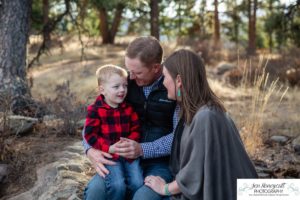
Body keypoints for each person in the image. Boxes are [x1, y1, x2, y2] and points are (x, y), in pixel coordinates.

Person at [144, 49, 258, 200]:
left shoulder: (206, 116)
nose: (163, 83)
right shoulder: (196, 110)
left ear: (179, 80)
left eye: (165, 77)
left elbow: (194, 173)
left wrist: (165, 188)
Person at [83, 36, 179, 200]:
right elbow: (95, 117)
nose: (131, 77)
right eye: (129, 70)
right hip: (120, 159)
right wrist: (89, 149)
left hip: (159, 162)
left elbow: (180, 136)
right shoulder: (123, 84)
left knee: (142, 197)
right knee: (95, 192)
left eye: (137, 72)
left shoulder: (172, 86)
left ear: (156, 68)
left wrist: (142, 149)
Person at [83, 65, 143, 200]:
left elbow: (136, 128)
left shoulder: (128, 108)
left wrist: (129, 143)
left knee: (137, 182)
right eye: (116, 87)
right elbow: (90, 135)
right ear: (102, 90)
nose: (122, 90)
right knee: (117, 185)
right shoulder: (95, 110)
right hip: (109, 156)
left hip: (128, 154)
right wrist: (108, 148)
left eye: (125, 86)